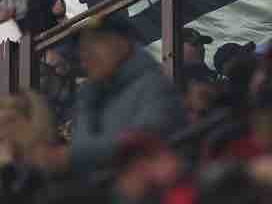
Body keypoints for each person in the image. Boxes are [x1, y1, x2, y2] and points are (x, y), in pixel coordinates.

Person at [64, 14, 187, 169]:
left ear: (123, 43)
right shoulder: (91, 97)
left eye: (94, 45)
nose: (86, 56)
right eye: (82, 50)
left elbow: (140, 145)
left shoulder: (154, 86)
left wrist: (70, 156)